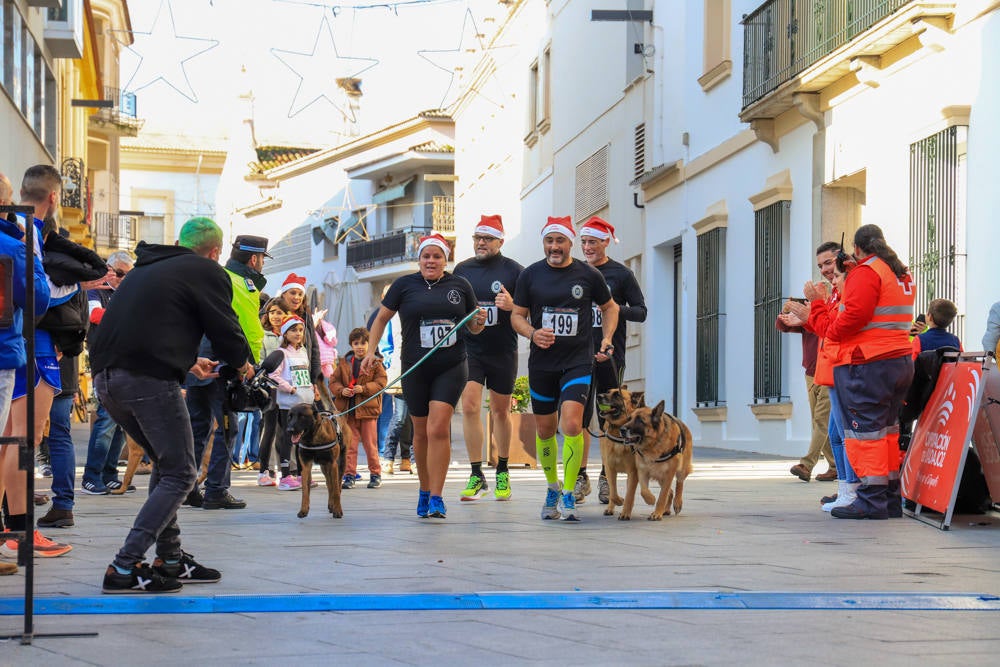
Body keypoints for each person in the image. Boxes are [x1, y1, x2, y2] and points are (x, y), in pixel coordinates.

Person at [90, 217, 253, 592]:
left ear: (179, 242)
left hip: (108, 379)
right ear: (215, 252)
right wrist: (244, 365)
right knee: (181, 473)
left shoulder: (145, 269)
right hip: (147, 379)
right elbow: (225, 328)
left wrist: (189, 361)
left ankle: (171, 558)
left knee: (167, 465)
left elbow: (147, 327)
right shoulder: (205, 270)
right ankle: (124, 565)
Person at [362, 233, 485, 519]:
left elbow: (473, 326)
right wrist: (371, 351)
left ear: (445, 259)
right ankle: (424, 490)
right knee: (420, 431)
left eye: (437, 256)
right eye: (426, 256)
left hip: (451, 365)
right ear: (419, 260)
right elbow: (381, 319)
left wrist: (479, 323)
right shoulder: (404, 285)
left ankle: (438, 497)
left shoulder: (460, 285)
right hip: (415, 366)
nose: (431, 261)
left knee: (438, 428)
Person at [510, 216, 619, 521]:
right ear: (544, 243)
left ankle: (569, 492)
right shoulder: (530, 275)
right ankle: (552, 488)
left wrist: (607, 338)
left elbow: (610, 307)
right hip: (542, 364)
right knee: (545, 429)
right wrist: (533, 333)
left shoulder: (588, 274)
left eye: (560, 240)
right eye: (549, 240)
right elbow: (516, 316)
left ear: (571, 242)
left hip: (577, 362)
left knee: (571, 424)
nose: (554, 246)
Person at [2, 165, 75, 558]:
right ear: (54, 197)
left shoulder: (21, 231)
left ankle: (12, 530)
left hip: (23, 345)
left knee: (12, 439)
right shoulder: (24, 234)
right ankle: (19, 531)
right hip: (32, 346)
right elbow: (37, 296)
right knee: (23, 439)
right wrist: (79, 283)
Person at [824, 224, 915, 520]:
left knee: (866, 434)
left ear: (857, 248)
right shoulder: (900, 272)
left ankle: (871, 500)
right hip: (898, 359)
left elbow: (855, 315)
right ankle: (888, 498)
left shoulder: (867, 272)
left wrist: (829, 331)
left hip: (869, 362)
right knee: (887, 433)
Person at [184, 234, 269, 510]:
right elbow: (243, 329)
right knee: (227, 429)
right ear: (254, 259)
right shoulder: (241, 283)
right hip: (223, 366)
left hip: (197, 361)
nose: (262, 265)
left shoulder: (216, 276)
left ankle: (186, 488)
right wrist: (248, 364)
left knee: (197, 428)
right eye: (262, 259)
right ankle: (216, 490)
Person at [576, 216, 647, 503]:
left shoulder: (622, 274)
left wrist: (614, 308)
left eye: (593, 242)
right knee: (578, 417)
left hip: (610, 357)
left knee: (609, 416)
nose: (587, 247)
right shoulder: (575, 272)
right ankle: (580, 476)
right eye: (583, 242)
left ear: (606, 242)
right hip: (577, 357)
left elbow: (641, 311)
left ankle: (607, 476)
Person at [0, 171, 51, 574]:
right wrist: (27, 251)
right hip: (2, 354)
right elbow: (37, 298)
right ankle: (16, 528)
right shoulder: (12, 244)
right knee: (15, 441)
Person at [453, 215, 523, 501]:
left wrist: (512, 305)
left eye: (487, 238)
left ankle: (502, 470)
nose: (481, 243)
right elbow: (453, 307)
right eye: (477, 238)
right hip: (470, 349)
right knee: (469, 406)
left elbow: (529, 310)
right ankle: (475, 474)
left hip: (502, 350)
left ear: (500, 242)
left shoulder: (514, 271)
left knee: (500, 411)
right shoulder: (462, 270)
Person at [777, 242, 838, 484]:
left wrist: (809, 316)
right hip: (812, 373)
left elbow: (830, 331)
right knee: (819, 422)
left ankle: (807, 464)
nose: (824, 270)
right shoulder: (811, 313)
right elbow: (783, 325)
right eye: (820, 266)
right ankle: (834, 465)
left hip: (830, 371)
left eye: (828, 264)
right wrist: (789, 312)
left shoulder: (828, 311)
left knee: (822, 420)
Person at [81, 251, 135, 495]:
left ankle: (109, 473)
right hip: (105, 362)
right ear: (109, 270)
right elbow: (94, 315)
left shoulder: (129, 295)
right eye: (120, 273)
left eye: (128, 275)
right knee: (106, 419)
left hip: (126, 362)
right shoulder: (96, 291)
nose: (124, 279)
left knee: (122, 421)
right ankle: (91, 476)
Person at [330, 327, 386, 489]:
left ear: (369, 344)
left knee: (370, 445)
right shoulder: (343, 363)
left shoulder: (375, 363)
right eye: (356, 343)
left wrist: (364, 388)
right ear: (351, 345)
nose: (360, 347)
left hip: (368, 412)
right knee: (350, 445)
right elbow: (333, 382)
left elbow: (381, 383)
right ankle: (349, 475)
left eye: (363, 343)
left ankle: (375, 474)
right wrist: (341, 390)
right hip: (348, 413)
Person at [269, 316, 315, 490]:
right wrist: (290, 389)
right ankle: (285, 476)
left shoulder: (303, 352)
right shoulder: (281, 353)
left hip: (305, 402)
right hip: (289, 405)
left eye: (300, 330)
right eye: (293, 330)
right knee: (288, 439)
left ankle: (302, 474)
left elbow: (305, 374)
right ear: (285, 333)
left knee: (302, 439)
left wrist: (311, 389)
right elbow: (273, 376)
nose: (298, 333)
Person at [256, 297, 288, 487]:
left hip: (288, 389)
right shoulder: (263, 335)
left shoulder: (289, 335)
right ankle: (264, 471)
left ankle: (286, 471)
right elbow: (260, 361)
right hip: (269, 388)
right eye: (273, 312)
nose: (276, 316)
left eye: (280, 313)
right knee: (269, 429)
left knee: (285, 430)